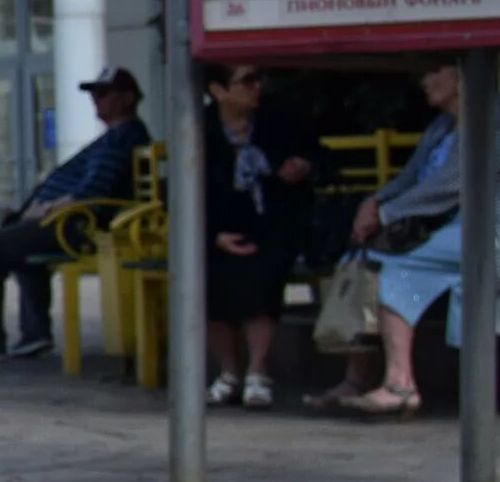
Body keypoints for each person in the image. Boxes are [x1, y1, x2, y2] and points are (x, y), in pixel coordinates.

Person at [320, 58, 490, 418]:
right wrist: (375, 200)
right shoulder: (442, 126)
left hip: (483, 228)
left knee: (389, 263)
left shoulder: (488, 117)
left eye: (432, 72)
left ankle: (400, 383)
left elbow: (455, 184)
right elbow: (411, 176)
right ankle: (362, 377)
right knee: (363, 259)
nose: (424, 82)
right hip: (442, 230)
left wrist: (388, 213)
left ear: (459, 76)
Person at [0, 67, 150, 362]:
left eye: (103, 93)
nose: (96, 99)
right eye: (94, 93)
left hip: (77, 224)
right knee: (13, 238)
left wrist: (47, 208)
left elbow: (93, 192)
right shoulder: (116, 137)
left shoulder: (122, 138)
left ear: (128, 98)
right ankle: (35, 332)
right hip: (70, 220)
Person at [199, 63, 316, 410]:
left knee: (264, 271)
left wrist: (301, 166)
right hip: (218, 225)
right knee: (210, 275)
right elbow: (182, 190)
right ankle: (229, 372)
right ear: (219, 90)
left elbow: (317, 155)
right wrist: (214, 235)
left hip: (272, 220)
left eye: (259, 78)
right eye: (247, 80)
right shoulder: (200, 127)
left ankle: (258, 371)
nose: (257, 87)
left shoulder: (277, 120)